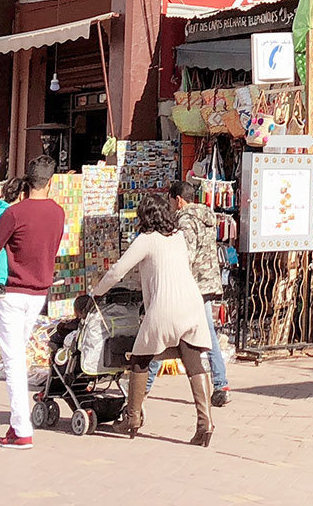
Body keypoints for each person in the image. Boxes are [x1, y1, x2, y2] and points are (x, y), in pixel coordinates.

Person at [93, 190, 216, 447]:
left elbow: (118, 271)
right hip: (191, 304)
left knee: (140, 360)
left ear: (145, 215)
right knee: (193, 361)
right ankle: (205, 423)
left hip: (164, 306)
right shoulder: (179, 236)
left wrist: (97, 290)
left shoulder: (146, 240)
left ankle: (132, 418)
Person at [0, 160, 65, 448]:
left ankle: (21, 429)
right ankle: (17, 425)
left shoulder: (13, 212)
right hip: (38, 291)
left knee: (13, 359)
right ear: (51, 181)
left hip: (12, 290)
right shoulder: (58, 213)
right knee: (17, 352)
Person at [172, 181, 230, 406]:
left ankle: (220, 381)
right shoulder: (207, 217)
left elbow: (187, 253)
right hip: (208, 281)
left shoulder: (186, 220)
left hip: (193, 283)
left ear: (178, 199)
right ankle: (220, 382)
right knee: (205, 333)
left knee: (165, 331)